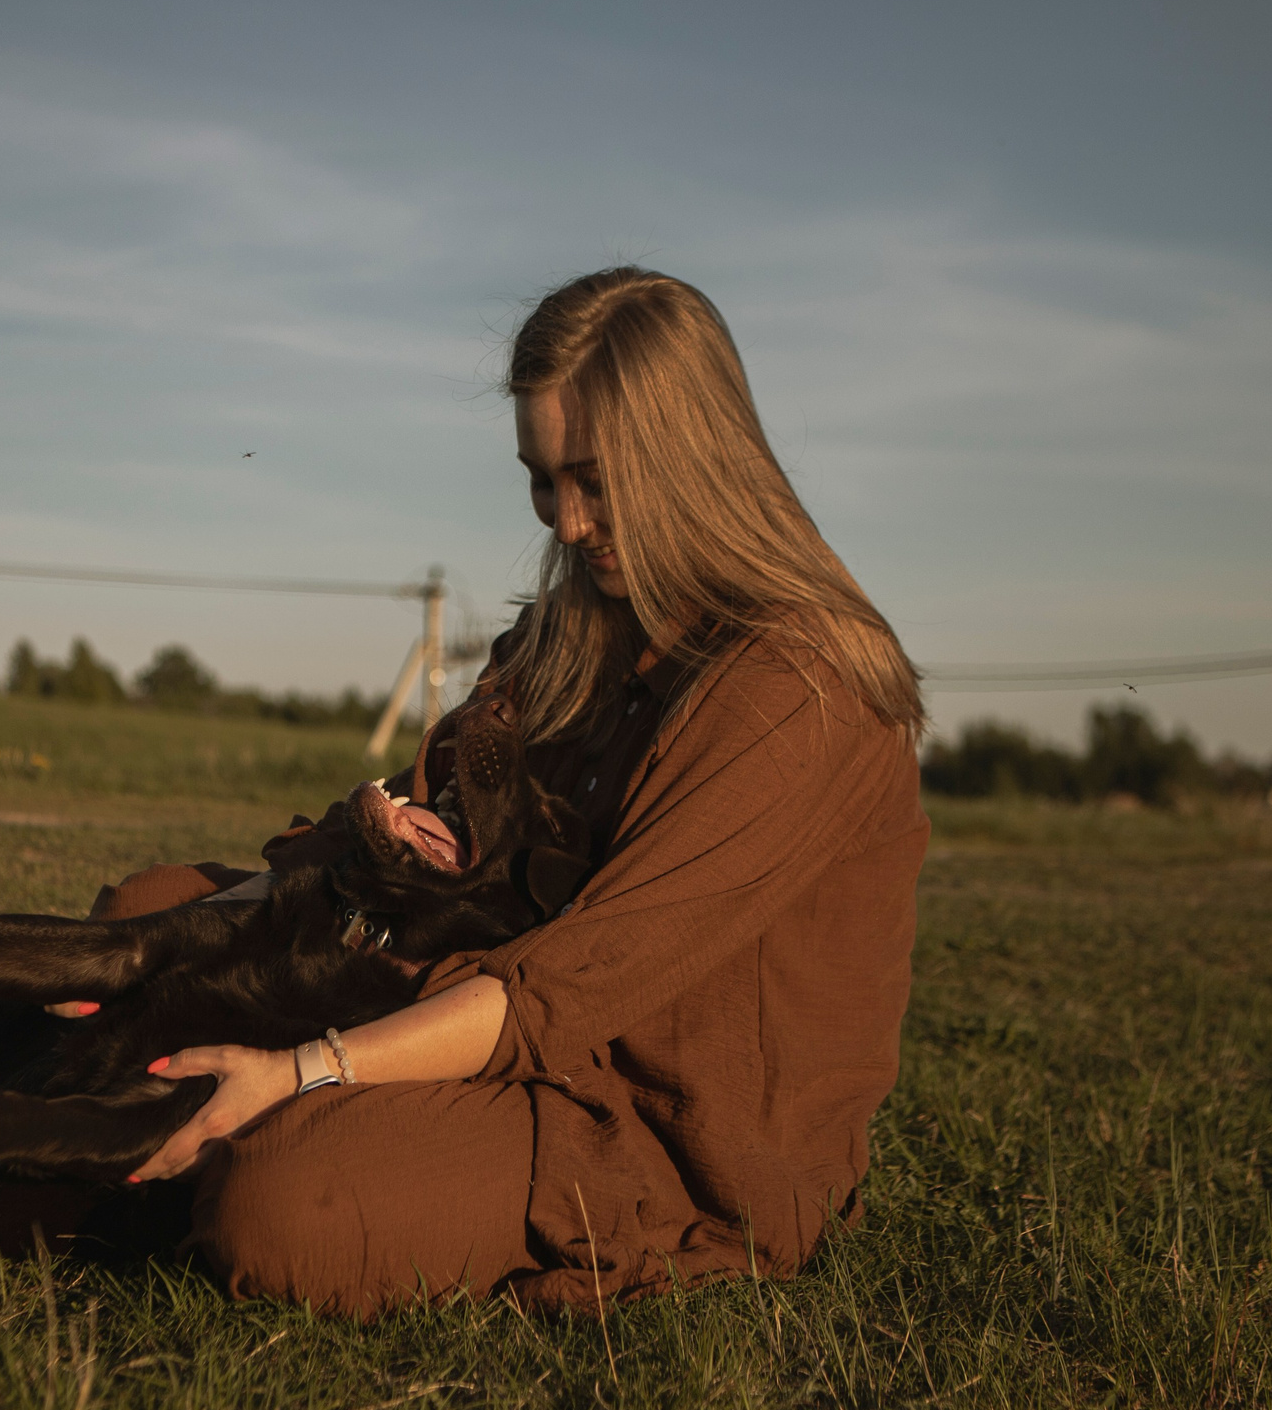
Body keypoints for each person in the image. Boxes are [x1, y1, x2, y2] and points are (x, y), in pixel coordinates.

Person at [102, 267, 927, 1316]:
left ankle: (183, 1146)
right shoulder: (571, 630)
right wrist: (368, 836)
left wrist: (308, 1067)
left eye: (596, 479)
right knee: (148, 911)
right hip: (475, 987)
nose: (570, 523)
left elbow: (576, 983)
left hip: (648, 1119)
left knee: (286, 1206)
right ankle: (170, 1127)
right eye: (544, 481)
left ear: (695, 460)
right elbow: (433, 797)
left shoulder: (800, 685)